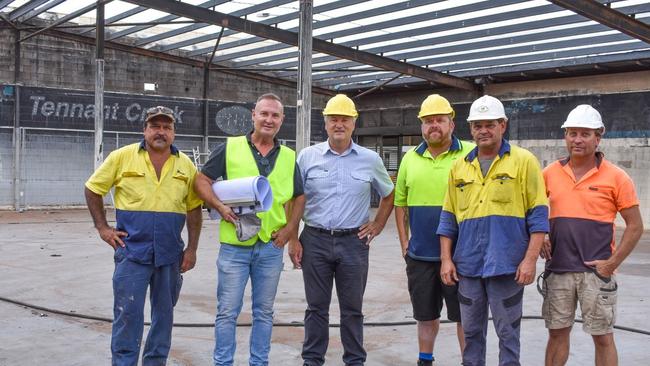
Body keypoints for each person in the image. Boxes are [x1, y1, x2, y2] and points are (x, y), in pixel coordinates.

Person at [84, 105, 203, 366]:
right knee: (128, 314)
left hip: (170, 255)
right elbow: (93, 188)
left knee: (164, 317)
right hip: (132, 254)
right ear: (144, 130)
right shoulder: (122, 157)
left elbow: (194, 208)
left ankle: (155, 362)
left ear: (173, 132)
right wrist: (103, 228)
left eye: (166, 127)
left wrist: (192, 249)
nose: (161, 132)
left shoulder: (185, 164)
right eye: (155, 126)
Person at [193, 93, 305, 366]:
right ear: (253, 114)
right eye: (264, 113)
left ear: (282, 120)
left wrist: (291, 230)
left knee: (264, 313)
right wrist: (219, 207)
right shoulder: (229, 148)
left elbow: (299, 196)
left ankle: (259, 362)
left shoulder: (290, 157)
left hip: (270, 247)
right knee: (227, 312)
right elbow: (201, 180)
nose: (269, 119)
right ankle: (223, 363)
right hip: (234, 247)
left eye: (275, 115)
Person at [437, 95, 549, 366]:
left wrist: (530, 259)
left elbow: (539, 215)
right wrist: (446, 259)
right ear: (470, 128)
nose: (483, 130)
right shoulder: (459, 166)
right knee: (472, 332)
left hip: (508, 266)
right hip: (469, 265)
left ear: (503, 125)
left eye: (489, 124)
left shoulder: (523, 161)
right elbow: (448, 217)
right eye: (477, 125)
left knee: (508, 332)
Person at [289, 94, 395, 366]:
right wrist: (293, 239)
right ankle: (312, 360)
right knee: (316, 308)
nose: (339, 124)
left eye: (344, 119)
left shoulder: (370, 159)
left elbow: (389, 194)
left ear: (353, 123)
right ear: (325, 124)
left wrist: (379, 224)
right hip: (314, 239)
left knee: (352, 309)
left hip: (353, 244)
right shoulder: (307, 157)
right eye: (334, 119)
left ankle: (355, 360)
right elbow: (295, 198)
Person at [540, 105, 644, 366]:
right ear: (565, 136)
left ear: (598, 137)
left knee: (603, 337)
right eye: (572, 133)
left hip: (595, 274)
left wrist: (610, 265)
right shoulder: (549, 173)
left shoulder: (616, 177)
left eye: (585, 134)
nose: (577, 139)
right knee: (556, 334)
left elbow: (635, 226)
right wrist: (540, 234)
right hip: (558, 269)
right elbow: (534, 210)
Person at [394, 94, 474, 365]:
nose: (434, 126)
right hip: (421, 256)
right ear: (421, 126)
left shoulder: (470, 153)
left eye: (440, 120)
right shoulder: (410, 159)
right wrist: (405, 244)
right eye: (428, 121)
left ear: (452, 124)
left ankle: (469, 361)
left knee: (465, 316)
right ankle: (425, 360)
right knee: (425, 315)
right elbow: (400, 204)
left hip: (462, 255)